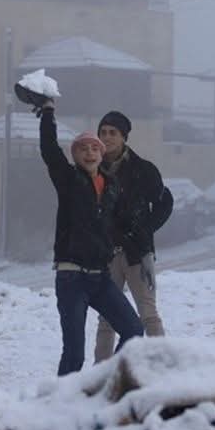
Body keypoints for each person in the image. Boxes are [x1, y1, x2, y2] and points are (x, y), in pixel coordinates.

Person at [39, 99, 144, 376]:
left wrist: (139, 235)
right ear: (75, 155)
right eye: (83, 149)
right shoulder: (68, 180)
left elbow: (121, 221)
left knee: (134, 330)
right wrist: (47, 113)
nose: (89, 153)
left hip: (100, 278)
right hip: (71, 277)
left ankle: (105, 382)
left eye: (94, 148)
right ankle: (61, 398)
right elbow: (49, 150)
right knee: (74, 353)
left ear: (101, 154)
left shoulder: (111, 186)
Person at [93, 111, 173, 363]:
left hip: (137, 254)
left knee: (148, 313)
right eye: (103, 132)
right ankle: (100, 370)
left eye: (113, 133)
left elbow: (164, 202)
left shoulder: (143, 169)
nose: (107, 137)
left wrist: (145, 229)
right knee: (106, 318)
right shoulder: (92, 169)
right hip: (105, 254)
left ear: (124, 137)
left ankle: (162, 364)